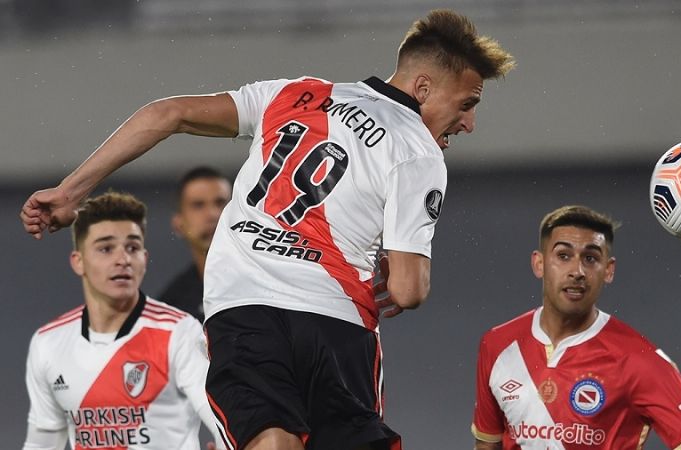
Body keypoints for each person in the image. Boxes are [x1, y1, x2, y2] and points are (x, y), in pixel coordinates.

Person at [20, 9, 515, 450]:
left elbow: (166, 113)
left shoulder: (295, 93)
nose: (469, 123)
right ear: (423, 88)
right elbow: (407, 290)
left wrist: (70, 191)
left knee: (271, 440)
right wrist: (394, 263)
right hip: (335, 318)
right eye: (466, 103)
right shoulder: (416, 150)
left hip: (243, 309)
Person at [471, 205, 681, 450]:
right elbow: (487, 443)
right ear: (539, 264)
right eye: (563, 256)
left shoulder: (638, 360)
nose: (577, 271)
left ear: (608, 270)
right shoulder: (497, 344)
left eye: (590, 258)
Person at [22, 191, 224, 450]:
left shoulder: (179, 332)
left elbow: (224, 420)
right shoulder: (48, 343)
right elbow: (42, 444)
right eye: (106, 249)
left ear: (145, 259)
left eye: (132, 247)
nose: (123, 260)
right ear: (78, 262)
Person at [161, 166, 232, 321]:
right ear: (178, 224)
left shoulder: (269, 278)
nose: (213, 214)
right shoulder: (172, 307)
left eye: (221, 203)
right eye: (198, 205)